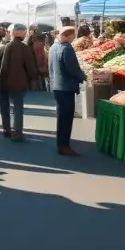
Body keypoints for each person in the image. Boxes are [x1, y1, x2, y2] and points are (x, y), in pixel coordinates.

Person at [49, 25, 86, 155]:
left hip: (56, 86)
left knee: (61, 116)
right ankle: (64, 145)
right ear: (69, 36)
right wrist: (82, 77)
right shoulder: (67, 48)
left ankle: (61, 143)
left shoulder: (53, 47)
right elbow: (71, 68)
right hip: (66, 86)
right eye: (73, 36)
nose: (73, 39)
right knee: (67, 117)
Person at [0, 23, 38, 140]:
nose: (26, 34)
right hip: (20, 82)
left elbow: (3, 67)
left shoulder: (7, 46)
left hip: (6, 81)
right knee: (18, 108)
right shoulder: (25, 48)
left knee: (5, 105)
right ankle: (18, 131)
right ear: (20, 33)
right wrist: (33, 78)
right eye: (24, 32)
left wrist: (1, 81)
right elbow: (30, 67)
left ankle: (6, 128)